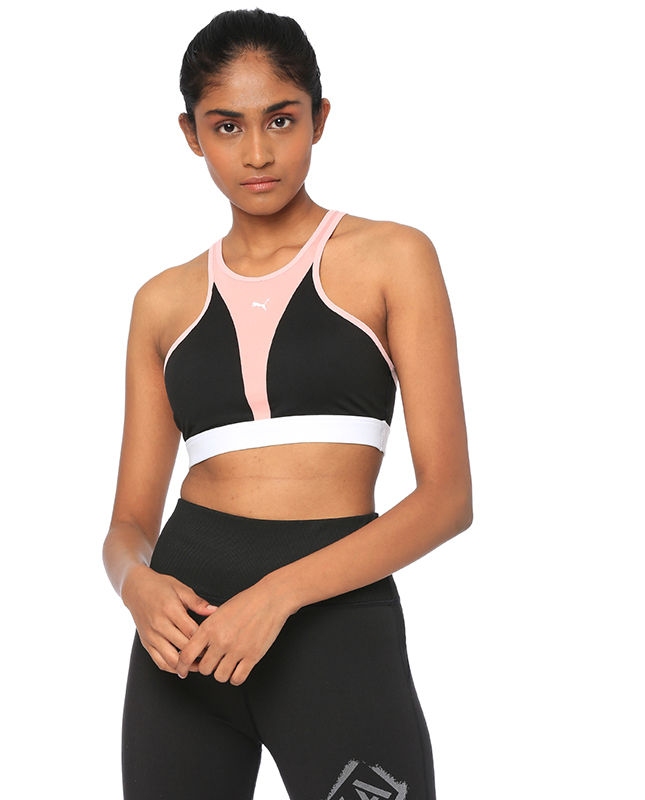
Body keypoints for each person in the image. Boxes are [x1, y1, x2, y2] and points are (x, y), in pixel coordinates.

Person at [102, 9, 472, 800]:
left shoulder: (392, 257)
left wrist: (276, 595)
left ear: (319, 118)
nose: (258, 153)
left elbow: (448, 498)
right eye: (226, 126)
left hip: (332, 627)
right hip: (184, 642)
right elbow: (129, 522)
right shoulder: (161, 302)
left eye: (280, 119)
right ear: (191, 134)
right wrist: (137, 583)